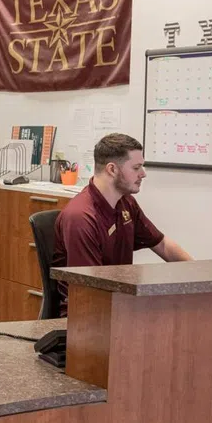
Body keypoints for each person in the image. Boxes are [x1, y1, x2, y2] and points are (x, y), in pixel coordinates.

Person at [52, 133, 192, 316]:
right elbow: (89, 290)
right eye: (136, 168)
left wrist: (202, 276)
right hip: (85, 317)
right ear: (112, 169)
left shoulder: (126, 203)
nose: (143, 174)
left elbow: (162, 244)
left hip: (117, 304)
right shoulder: (81, 217)